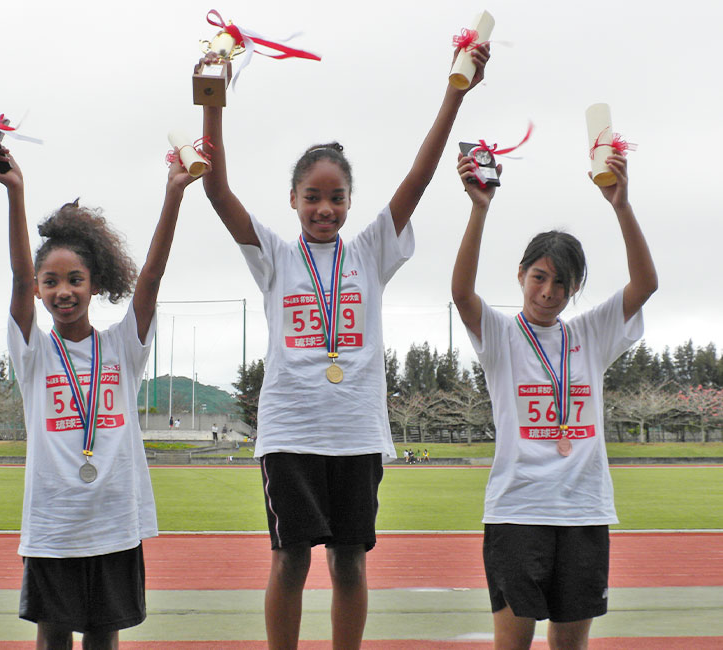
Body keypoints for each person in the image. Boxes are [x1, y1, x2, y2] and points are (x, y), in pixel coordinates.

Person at [200, 40, 490, 649]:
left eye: (335, 197)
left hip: (356, 432)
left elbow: (421, 174)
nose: (324, 208)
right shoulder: (276, 256)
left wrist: (455, 94)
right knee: (291, 560)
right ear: (293, 200)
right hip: (290, 431)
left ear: (350, 202)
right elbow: (218, 193)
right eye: (312, 196)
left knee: (351, 561)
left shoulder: (370, 252)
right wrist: (213, 101)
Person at [0, 145, 202, 649]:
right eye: (51, 281)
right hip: (54, 526)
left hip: (113, 521)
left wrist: (174, 195)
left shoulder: (122, 347)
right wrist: (16, 192)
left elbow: (151, 278)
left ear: (94, 284)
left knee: (104, 636)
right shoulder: (33, 352)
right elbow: (16, 276)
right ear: (38, 290)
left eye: (75, 280)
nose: (64, 291)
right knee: (53, 637)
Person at [450, 151, 657, 649]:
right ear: (521, 274)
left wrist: (621, 206)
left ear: (576, 287)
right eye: (539, 276)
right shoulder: (501, 335)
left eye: (561, 281)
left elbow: (646, 284)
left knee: (571, 646)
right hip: (517, 511)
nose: (548, 291)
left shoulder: (591, 333)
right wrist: (479, 209)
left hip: (584, 512)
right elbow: (461, 293)